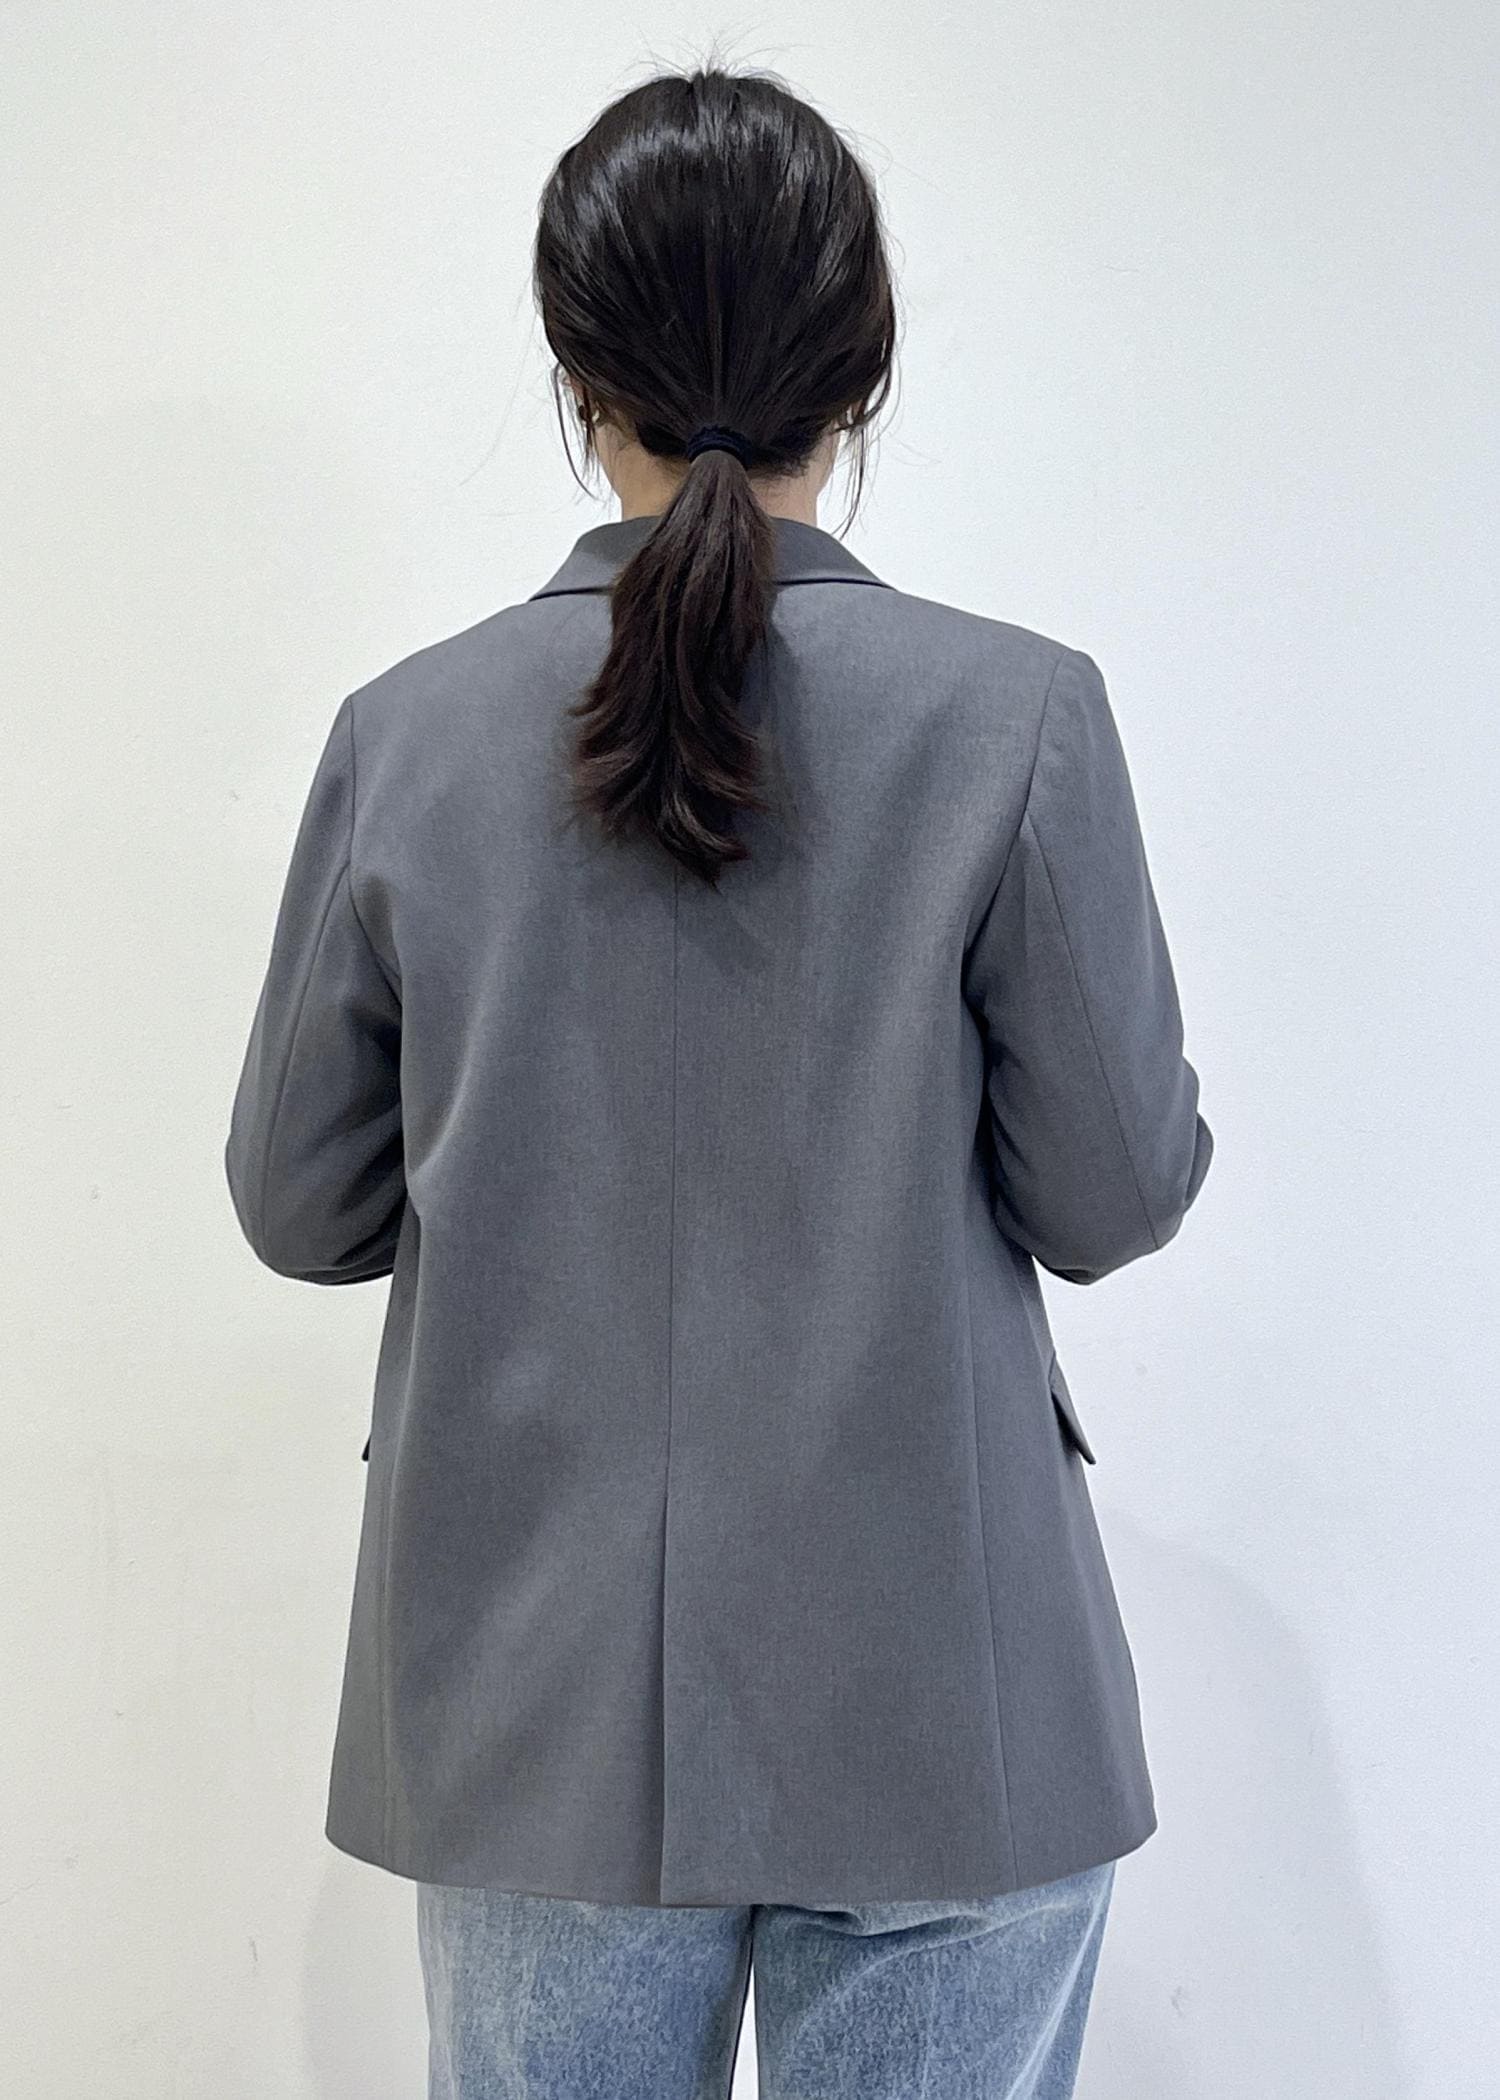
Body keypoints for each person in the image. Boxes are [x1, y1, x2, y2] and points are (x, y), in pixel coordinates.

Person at [225, 62, 1213, 2100]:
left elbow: (298, 1207)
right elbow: (1115, 1198)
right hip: (948, 1699)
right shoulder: (1016, 719)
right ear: (859, 377)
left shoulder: (409, 737)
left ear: (578, 371)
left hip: (533, 1699)